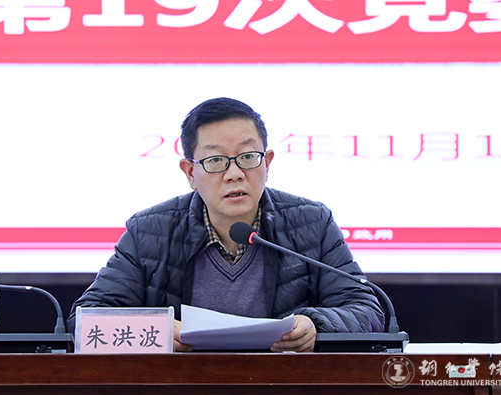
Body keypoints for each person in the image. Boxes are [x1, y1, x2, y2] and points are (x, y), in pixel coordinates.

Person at [67, 97, 385, 352]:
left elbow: (367, 311)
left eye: (247, 157)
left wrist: (316, 325)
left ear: (267, 163)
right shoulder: (150, 231)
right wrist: (155, 330)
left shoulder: (311, 222)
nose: (234, 174)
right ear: (190, 173)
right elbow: (86, 321)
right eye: (216, 161)